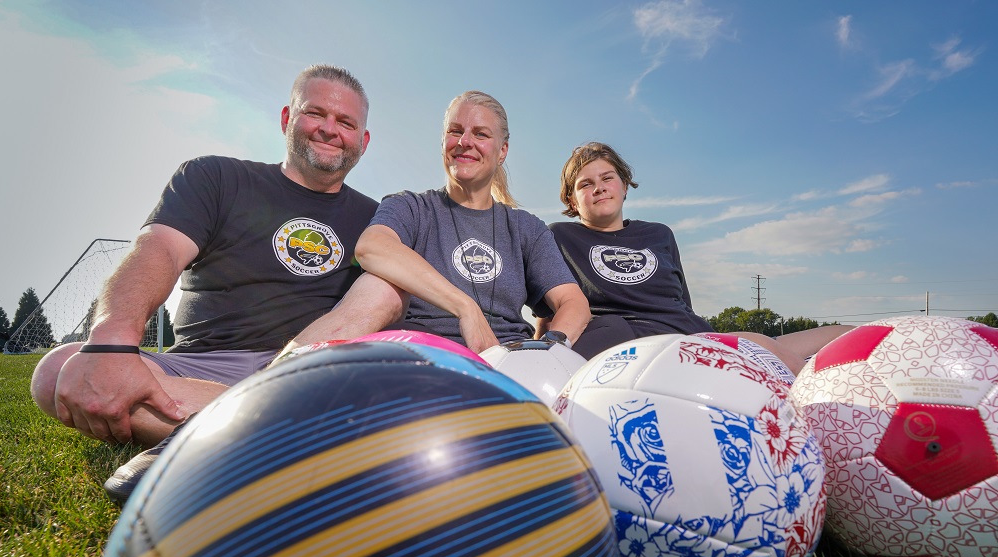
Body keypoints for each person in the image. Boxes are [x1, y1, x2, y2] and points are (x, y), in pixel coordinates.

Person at [30, 64, 406, 501]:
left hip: (309, 365)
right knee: (57, 372)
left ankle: (234, 429)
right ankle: (285, 432)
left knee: (387, 294)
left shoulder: (377, 218)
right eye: (314, 113)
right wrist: (111, 339)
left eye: (345, 122)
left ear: (363, 140)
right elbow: (160, 250)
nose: (328, 129)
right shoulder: (215, 177)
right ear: (287, 119)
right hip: (199, 367)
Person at [545, 142, 850, 369]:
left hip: (689, 335)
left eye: (607, 178)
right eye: (586, 184)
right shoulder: (559, 235)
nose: (599, 188)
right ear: (571, 199)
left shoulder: (659, 233)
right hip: (624, 342)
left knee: (801, 345)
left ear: (624, 185)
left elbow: (682, 304)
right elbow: (552, 309)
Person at [349, 90, 589, 353]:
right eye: (455, 131)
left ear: (502, 151)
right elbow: (371, 247)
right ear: (442, 141)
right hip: (424, 353)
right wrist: (466, 308)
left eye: (481, 134)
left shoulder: (526, 228)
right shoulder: (411, 207)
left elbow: (573, 301)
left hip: (508, 357)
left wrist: (548, 349)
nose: (465, 141)